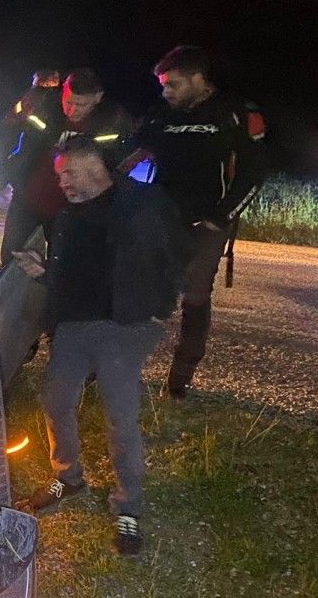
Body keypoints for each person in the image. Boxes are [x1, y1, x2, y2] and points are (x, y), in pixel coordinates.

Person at [12, 135, 185, 557]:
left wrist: (163, 309)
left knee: (119, 416)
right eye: (60, 176)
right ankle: (68, 477)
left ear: (94, 168)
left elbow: (177, 254)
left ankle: (128, 506)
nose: (63, 183)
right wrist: (42, 273)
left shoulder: (142, 203)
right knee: (56, 402)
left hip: (125, 325)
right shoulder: (67, 217)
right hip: (75, 324)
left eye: (68, 174)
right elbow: (72, 275)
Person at [125, 46, 268, 398]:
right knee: (136, 285)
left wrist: (222, 217)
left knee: (195, 292)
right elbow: (127, 153)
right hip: (159, 216)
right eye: (163, 85)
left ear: (198, 79)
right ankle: (115, 366)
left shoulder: (236, 112)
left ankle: (180, 380)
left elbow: (255, 171)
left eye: (172, 84)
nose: (165, 92)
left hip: (208, 220)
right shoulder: (161, 115)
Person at [0, 68, 134, 264]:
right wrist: (1, 178)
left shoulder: (112, 122)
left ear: (97, 98)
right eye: (68, 102)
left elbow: (115, 163)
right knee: (11, 259)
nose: (72, 110)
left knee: (63, 264)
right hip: (27, 200)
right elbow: (17, 144)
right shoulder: (45, 110)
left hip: (72, 210)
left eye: (81, 105)